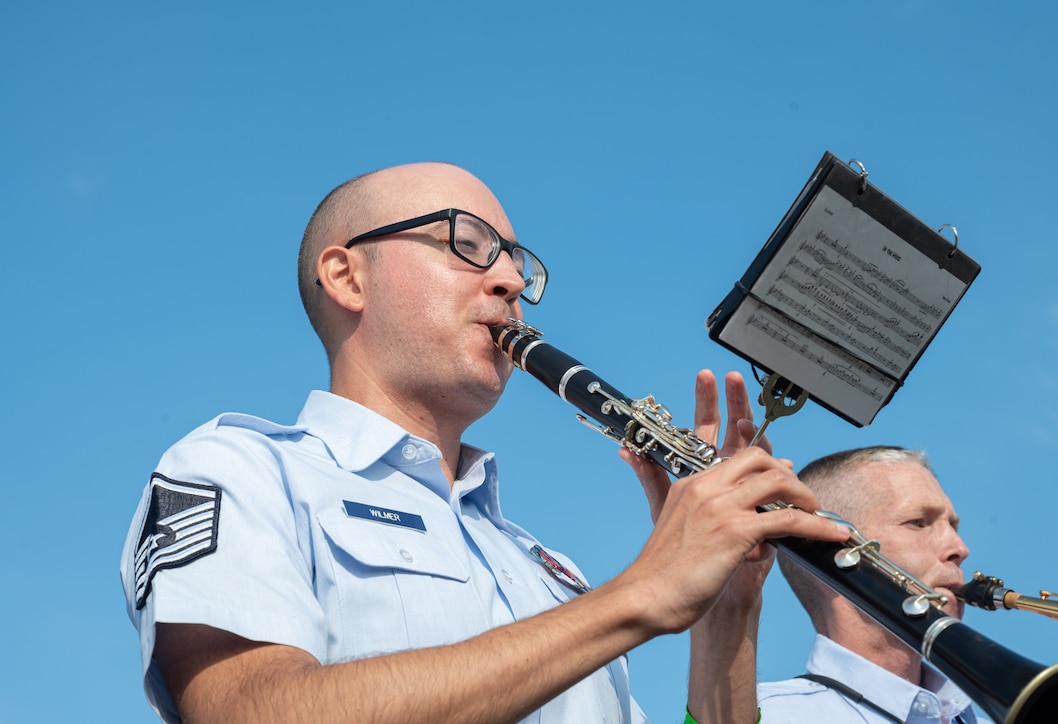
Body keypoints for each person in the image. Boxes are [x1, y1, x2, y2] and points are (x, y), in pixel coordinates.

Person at [120, 161, 850, 724]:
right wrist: (641, 595)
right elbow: (251, 712)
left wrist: (725, 611)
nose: (509, 281)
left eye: (515, 262)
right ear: (347, 276)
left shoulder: (547, 571)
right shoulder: (244, 470)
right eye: (467, 244)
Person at [757, 446, 989, 723]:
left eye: (953, 526)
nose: (960, 549)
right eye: (918, 522)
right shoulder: (764, 715)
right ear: (837, 555)